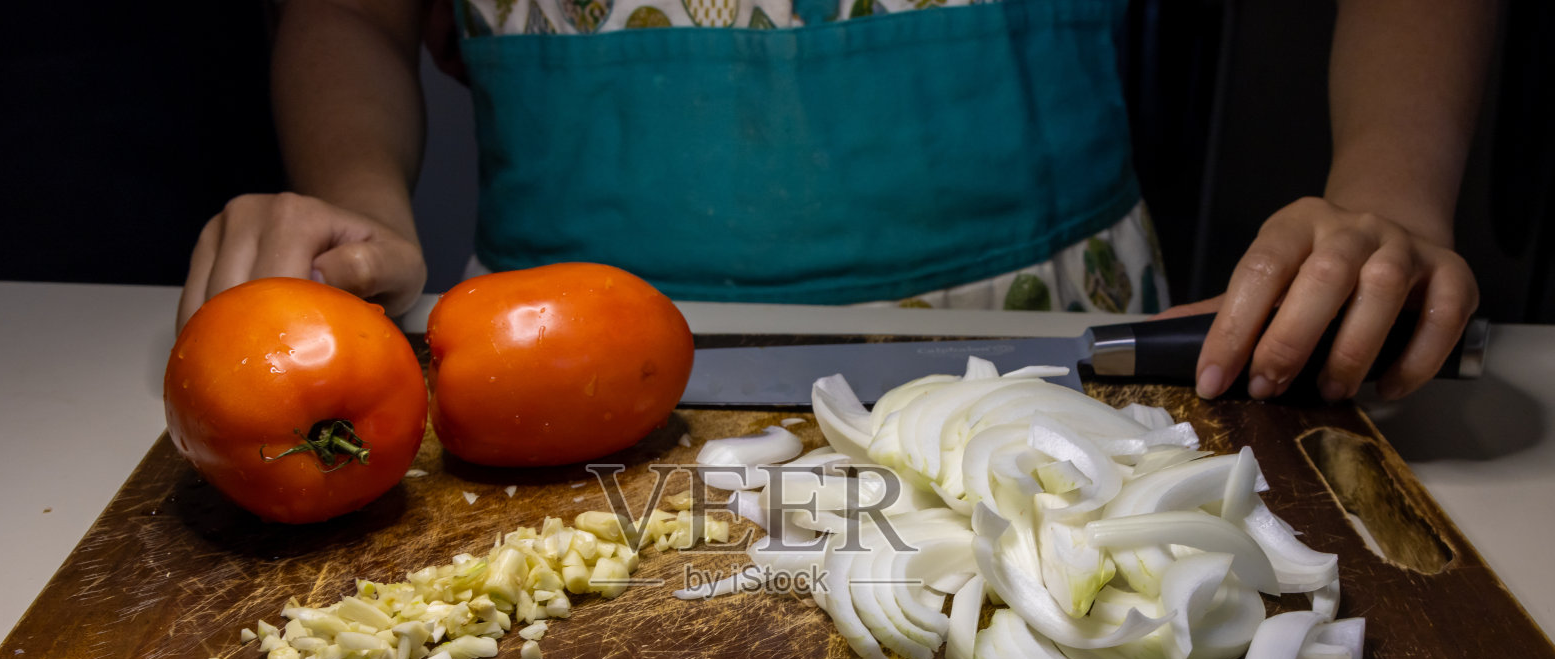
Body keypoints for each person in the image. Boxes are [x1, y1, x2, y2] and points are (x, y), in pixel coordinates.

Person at [179, 0, 1493, 404]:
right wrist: (359, 208)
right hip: (544, 390)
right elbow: (348, 16)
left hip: (1067, 369)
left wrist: (1388, 192)